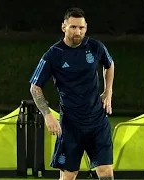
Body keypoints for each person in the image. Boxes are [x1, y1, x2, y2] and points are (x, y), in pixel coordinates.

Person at [29, 7, 115, 180]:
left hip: (97, 121)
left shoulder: (95, 47)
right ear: (64, 27)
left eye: (81, 28)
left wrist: (108, 91)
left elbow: (110, 64)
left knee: (105, 171)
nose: (78, 31)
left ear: (86, 28)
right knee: (69, 175)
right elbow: (34, 87)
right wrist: (47, 115)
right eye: (73, 27)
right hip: (71, 124)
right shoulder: (53, 54)